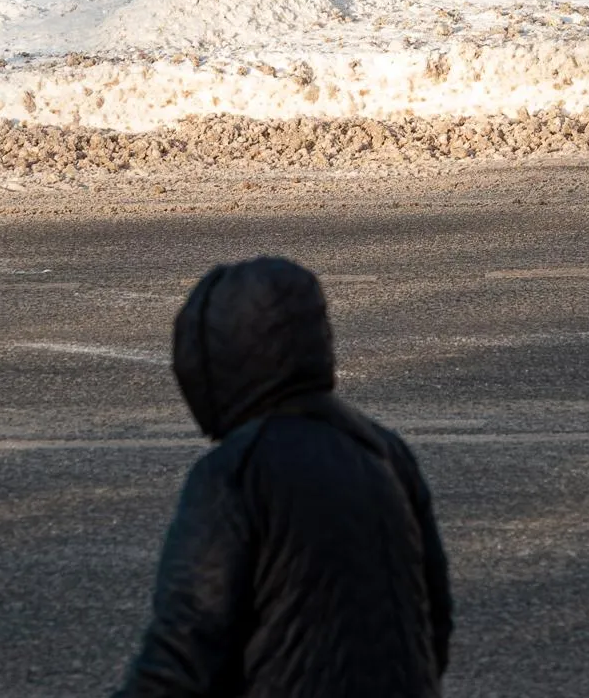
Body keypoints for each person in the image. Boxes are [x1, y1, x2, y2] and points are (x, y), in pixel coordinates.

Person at [114, 257, 453, 698]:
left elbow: (186, 649)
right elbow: (434, 623)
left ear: (214, 360)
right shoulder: (384, 450)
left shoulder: (236, 472)